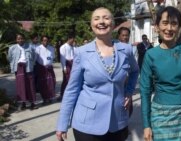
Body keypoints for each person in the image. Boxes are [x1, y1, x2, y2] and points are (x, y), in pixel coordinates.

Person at [56, 7, 139, 141]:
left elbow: (135, 71)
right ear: (91, 24)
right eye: (96, 18)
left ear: (113, 24)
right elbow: (72, 90)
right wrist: (62, 124)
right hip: (87, 124)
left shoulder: (126, 50)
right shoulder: (81, 53)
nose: (101, 22)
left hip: (118, 121)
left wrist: (129, 92)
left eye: (106, 18)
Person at [140, 6, 181, 141]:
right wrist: (146, 125)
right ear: (157, 26)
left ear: (179, 27)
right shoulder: (150, 55)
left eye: (174, 24)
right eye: (165, 23)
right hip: (160, 115)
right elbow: (145, 91)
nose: (169, 28)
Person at [7, 33, 38, 111]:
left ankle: (32, 103)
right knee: (21, 86)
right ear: (16, 39)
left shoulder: (30, 47)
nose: (20, 40)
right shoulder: (12, 48)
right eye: (18, 38)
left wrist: (31, 64)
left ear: (24, 39)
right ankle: (23, 103)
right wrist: (14, 66)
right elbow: (9, 58)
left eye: (21, 38)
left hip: (28, 68)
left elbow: (34, 57)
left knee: (30, 85)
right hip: (19, 68)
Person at [35, 35, 56, 105]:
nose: (46, 42)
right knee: (43, 85)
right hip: (42, 69)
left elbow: (52, 58)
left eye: (47, 40)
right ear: (41, 41)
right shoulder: (38, 49)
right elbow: (36, 60)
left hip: (50, 68)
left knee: (51, 83)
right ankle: (45, 99)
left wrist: (49, 64)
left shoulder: (52, 48)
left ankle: (50, 98)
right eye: (44, 40)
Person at [58, 33, 76, 101]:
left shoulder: (73, 47)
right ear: (69, 39)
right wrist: (64, 67)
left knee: (72, 80)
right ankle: (62, 94)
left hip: (72, 64)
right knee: (66, 80)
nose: (73, 41)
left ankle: (71, 94)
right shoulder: (63, 47)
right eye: (72, 39)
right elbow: (62, 58)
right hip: (67, 64)